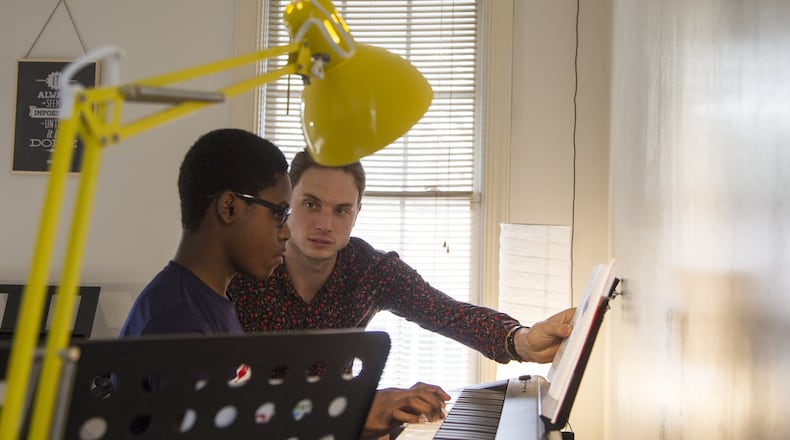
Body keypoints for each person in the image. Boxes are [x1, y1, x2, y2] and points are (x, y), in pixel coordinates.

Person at [119, 128, 448, 439]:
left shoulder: (211, 303)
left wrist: (361, 412)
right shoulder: (178, 322)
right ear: (229, 208)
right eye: (279, 212)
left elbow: (249, 413)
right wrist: (353, 412)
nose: (287, 231)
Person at [229, 149, 575, 370]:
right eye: (311, 204)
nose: (324, 223)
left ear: (357, 213)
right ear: (289, 201)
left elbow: (446, 312)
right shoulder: (243, 268)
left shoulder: (370, 270)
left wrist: (520, 340)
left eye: (341, 210)